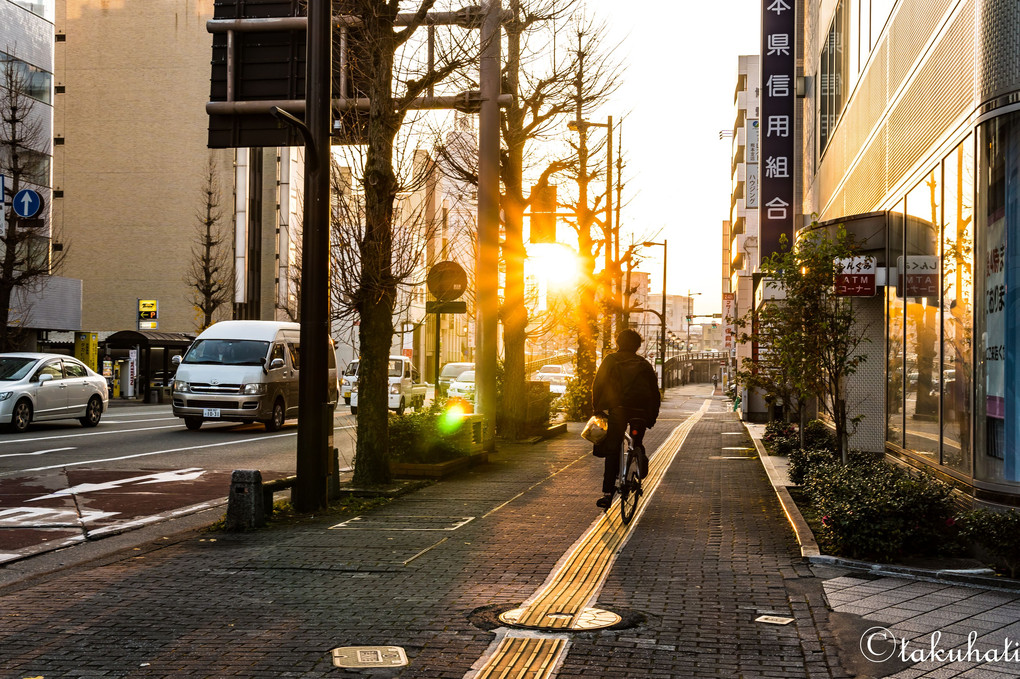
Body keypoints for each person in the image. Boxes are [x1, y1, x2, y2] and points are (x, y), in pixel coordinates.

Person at [591, 329, 661, 509]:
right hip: (641, 410)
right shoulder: (644, 363)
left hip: (618, 409)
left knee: (613, 447)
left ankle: (607, 493)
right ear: (637, 346)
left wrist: (597, 408)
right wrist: (651, 416)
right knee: (636, 439)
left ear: (618, 343)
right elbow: (654, 392)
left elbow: (598, 384)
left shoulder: (611, 360)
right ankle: (639, 453)